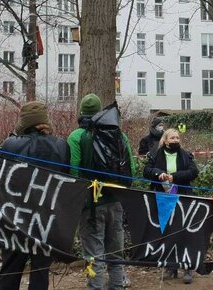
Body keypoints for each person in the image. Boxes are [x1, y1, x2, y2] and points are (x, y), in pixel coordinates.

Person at [0, 102, 69, 290]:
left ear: (24, 121)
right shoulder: (61, 146)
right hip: (46, 220)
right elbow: (66, 178)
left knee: (10, 269)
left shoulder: (9, 144)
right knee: (40, 271)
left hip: (15, 217)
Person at [68, 94, 137, 290]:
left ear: (81, 113)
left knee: (93, 256)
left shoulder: (76, 137)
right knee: (116, 256)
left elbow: (74, 171)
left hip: (91, 206)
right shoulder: (118, 134)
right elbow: (130, 168)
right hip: (116, 202)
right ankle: (117, 286)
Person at [143, 128, 199, 284]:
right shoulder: (155, 154)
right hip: (163, 198)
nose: (175, 140)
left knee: (184, 231)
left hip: (183, 197)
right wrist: (158, 173)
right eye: (172, 138)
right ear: (165, 140)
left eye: (177, 137)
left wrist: (174, 177)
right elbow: (146, 171)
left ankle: (187, 266)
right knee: (167, 231)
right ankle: (171, 266)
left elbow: (194, 172)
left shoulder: (186, 154)